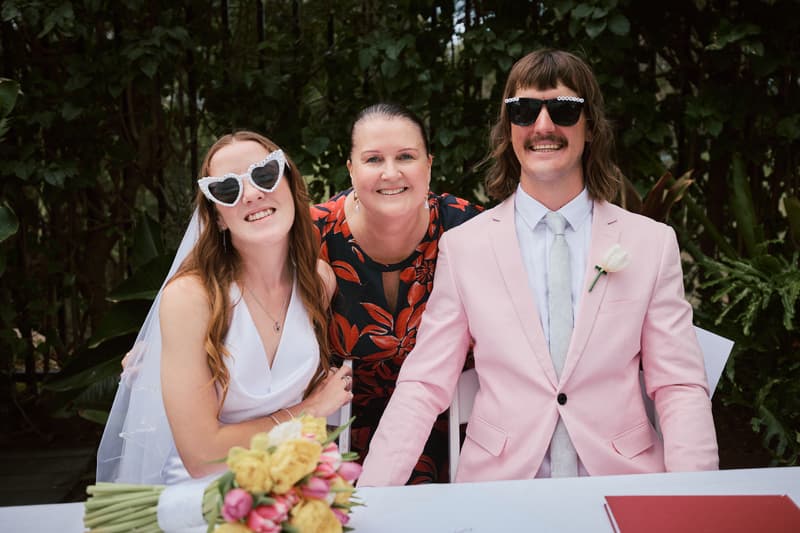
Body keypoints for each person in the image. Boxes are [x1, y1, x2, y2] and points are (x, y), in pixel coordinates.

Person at [359, 49, 719, 486]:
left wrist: (695, 498)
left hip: (623, 481)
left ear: (590, 126)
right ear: (509, 128)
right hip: (500, 488)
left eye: (564, 110)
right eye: (525, 110)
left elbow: (679, 386)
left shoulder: (650, 243)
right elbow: (423, 385)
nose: (543, 126)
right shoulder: (466, 247)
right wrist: (372, 497)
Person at [97, 131, 353, 485]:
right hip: (203, 496)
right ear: (216, 217)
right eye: (228, 190)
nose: (251, 194)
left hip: (291, 484)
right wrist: (308, 411)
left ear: (290, 185)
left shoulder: (318, 282)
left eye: (264, 174)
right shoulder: (192, 298)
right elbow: (203, 456)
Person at [311, 103, 483, 483]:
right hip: (336, 439)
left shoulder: (468, 228)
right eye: (373, 159)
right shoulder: (311, 236)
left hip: (453, 433)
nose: (391, 173)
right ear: (351, 169)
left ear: (429, 165)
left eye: (406, 156)